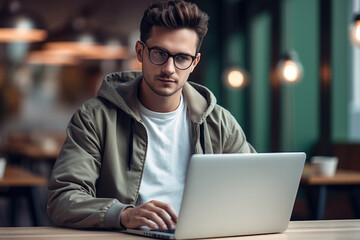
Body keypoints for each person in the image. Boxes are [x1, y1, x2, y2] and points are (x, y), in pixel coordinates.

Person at [47, 0, 256, 232]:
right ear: (140, 52)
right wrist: (123, 214)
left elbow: (254, 188)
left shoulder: (219, 122)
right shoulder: (94, 118)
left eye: (182, 58)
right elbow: (63, 199)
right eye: (159, 53)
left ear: (194, 62)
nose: (169, 68)